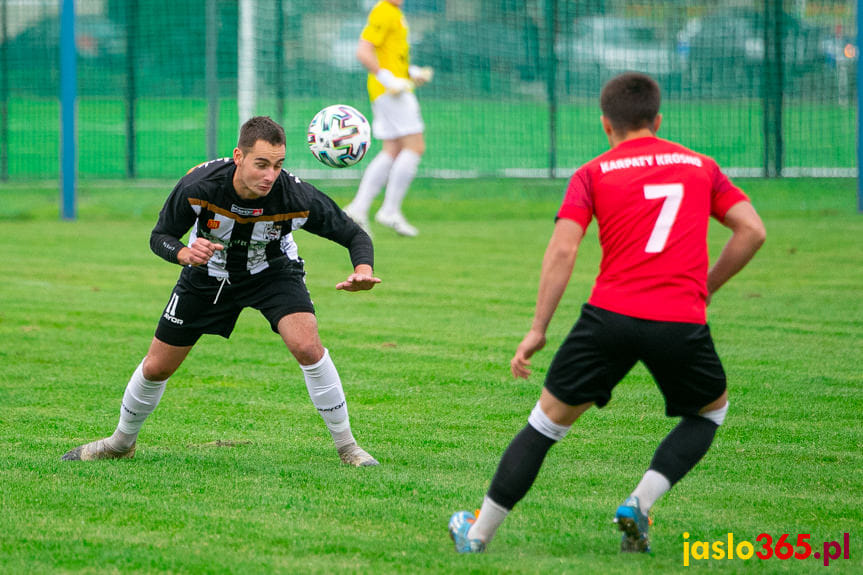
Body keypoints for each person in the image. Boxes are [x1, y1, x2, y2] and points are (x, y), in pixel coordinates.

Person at [448, 72, 766, 554]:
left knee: (545, 425)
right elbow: (752, 231)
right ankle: (639, 502)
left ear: (605, 125)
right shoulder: (700, 166)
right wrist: (704, 289)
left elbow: (562, 252)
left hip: (609, 317)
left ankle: (476, 535)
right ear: (657, 120)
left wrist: (538, 329)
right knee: (710, 412)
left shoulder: (593, 173)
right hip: (679, 320)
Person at [62, 116, 381, 467]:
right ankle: (120, 443)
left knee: (307, 345)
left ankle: (348, 447)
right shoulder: (199, 185)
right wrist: (184, 253)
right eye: (261, 164)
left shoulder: (294, 194)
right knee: (156, 368)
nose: (270, 175)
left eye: (278, 165)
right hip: (206, 276)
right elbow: (160, 237)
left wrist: (363, 271)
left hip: (271, 272)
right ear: (238, 157)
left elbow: (354, 234)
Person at [342, 0, 433, 238]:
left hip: (391, 89)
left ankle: (358, 208)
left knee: (392, 149)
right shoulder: (383, 10)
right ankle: (390, 210)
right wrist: (388, 79)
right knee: (415, 146)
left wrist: (410, 73)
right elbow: (363, 51)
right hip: (391, 92)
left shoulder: (394, 12)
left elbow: (391, 56)